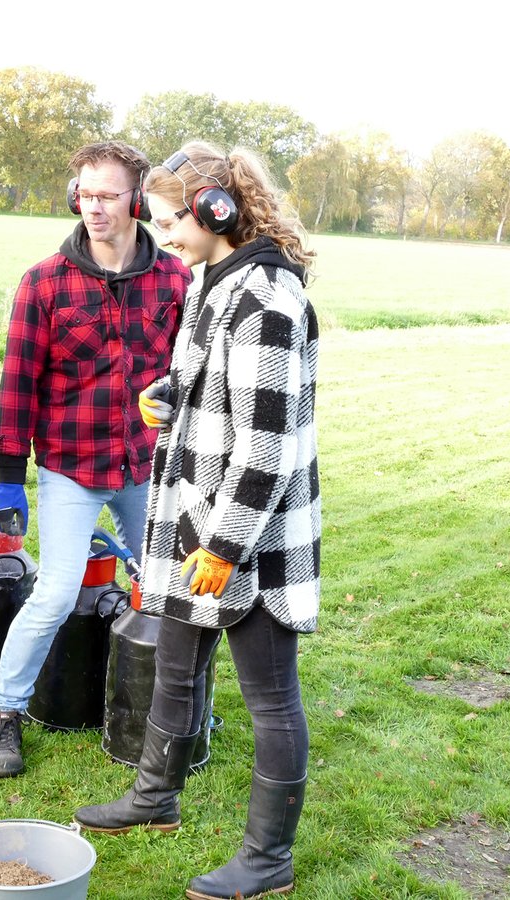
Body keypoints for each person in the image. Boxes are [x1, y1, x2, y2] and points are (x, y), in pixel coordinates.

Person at [73, 141, 320, 900]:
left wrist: (225, 545)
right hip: (193, 526)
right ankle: (155, 798)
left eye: (170, 221)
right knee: (175, 667)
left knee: (271, 698)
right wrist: (170, 396)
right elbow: (213, 384)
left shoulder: (267, 301)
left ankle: (269, 859)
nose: (165, 236)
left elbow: (268, 446)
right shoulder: (215, 280)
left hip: (249, 542)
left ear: (215, 211)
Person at [0, 141, 191, 777]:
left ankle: (172, 709)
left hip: (148, 464)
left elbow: (196, 368)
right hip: (71, 465)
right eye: (85, 194)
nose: (93, 207)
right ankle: (4, 711)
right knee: (54, 592)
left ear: (137, 200)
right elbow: (18, 382)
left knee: (169, 589)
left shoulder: (176, 279)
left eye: (107, 195)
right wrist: (9, 476)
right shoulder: (44, 282)